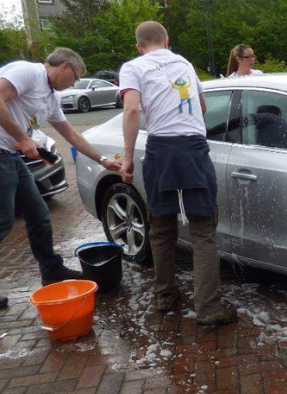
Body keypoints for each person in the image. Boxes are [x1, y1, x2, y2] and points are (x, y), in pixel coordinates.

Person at [119, 21, 237, 328]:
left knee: (162, 227)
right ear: (166, 40)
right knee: (202, 232)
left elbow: (132, 110)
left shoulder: (133, 67)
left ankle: (166, 296)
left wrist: (128, 159)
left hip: (160, 151)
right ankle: (209, 309)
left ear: (139, 46)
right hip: (194, 150)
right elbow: (201, 105)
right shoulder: (184, 62)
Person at [0, 48, 121, 309]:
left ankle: (52, 270)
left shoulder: (50, 96)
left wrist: (102, 160)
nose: (73, 84)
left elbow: (71, 135)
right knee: (3, 221)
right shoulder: (28, 72)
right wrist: (23, 138)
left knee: (39, 215)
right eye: (75, 78)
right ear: (65, 66)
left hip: (10, 155)